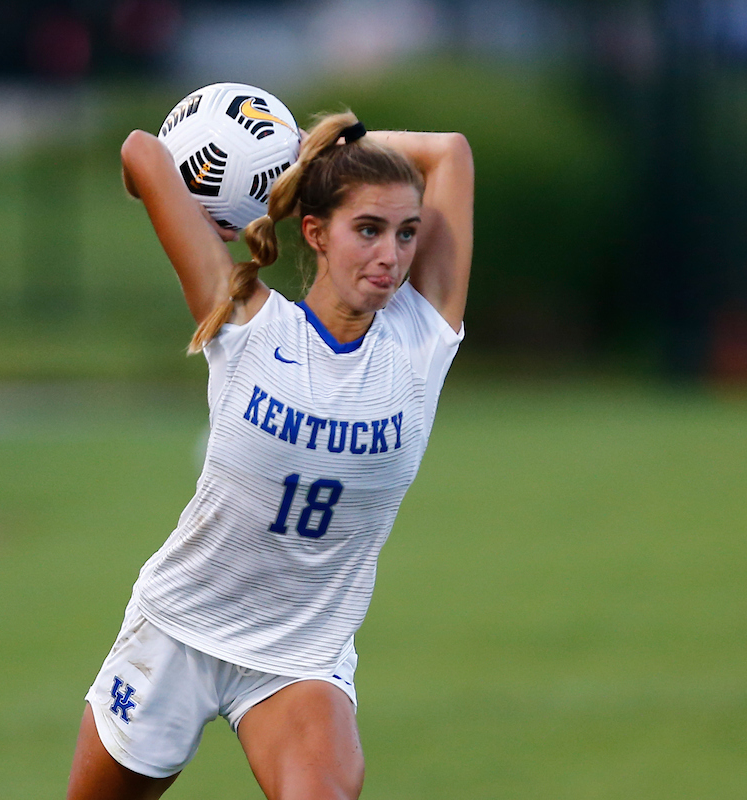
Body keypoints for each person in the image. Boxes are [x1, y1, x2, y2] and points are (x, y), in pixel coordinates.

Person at [65, 110, 473, 800]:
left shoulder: (422, 337)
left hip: (297, 659)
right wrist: (296, 160)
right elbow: (141, 151)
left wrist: (319, 154)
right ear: (315, 232)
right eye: (368, 230)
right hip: (178, 631)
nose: (392, 256)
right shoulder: (243, 317)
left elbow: (450, 150)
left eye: (407, 233)